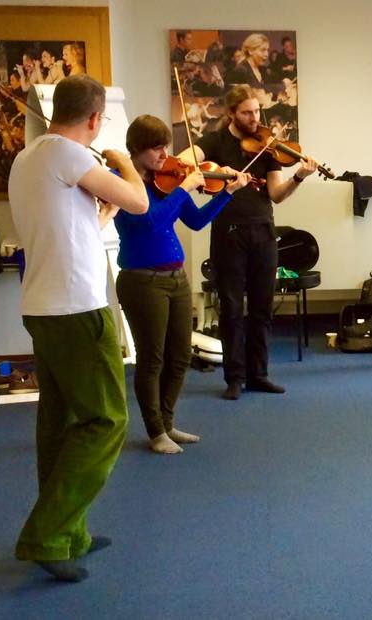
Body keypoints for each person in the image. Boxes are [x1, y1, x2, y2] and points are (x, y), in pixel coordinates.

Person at [7, 75, 150, 582]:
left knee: (62, 423)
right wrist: (127, 163)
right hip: (76, 309)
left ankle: (71, 534)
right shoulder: (70, 155)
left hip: (45, 305)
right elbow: (140, 202)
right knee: (107, 420)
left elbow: (78, 229)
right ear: (95, 118)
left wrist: (101, 211)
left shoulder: (29, 158)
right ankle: (47, 534)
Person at [114, 115, 250, 453]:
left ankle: (168, 423)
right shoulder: (121, 182)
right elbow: (150, 222)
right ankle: (155, 431)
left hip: (176, 277)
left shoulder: (168, 180)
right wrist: (185, 187)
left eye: (165, 146)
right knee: (152, 359)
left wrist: (227, 194)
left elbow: (197, 220)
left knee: (179, 357)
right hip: (142, 281)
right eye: (156, 148)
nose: (164, 154)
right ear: (136, 149)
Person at [179, 85, 317, 400]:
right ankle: (234, 378)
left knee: (262, 308)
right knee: (229, 307)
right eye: (247, 113)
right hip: (228, 233)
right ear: (231, 114)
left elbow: (276, 195)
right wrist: (215, 171)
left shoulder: (268, 149)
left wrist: (299, 176)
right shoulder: (214, 141)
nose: (255, 118)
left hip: (263, 232)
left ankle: (259, 374)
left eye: (257, 111)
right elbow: (184, 160)